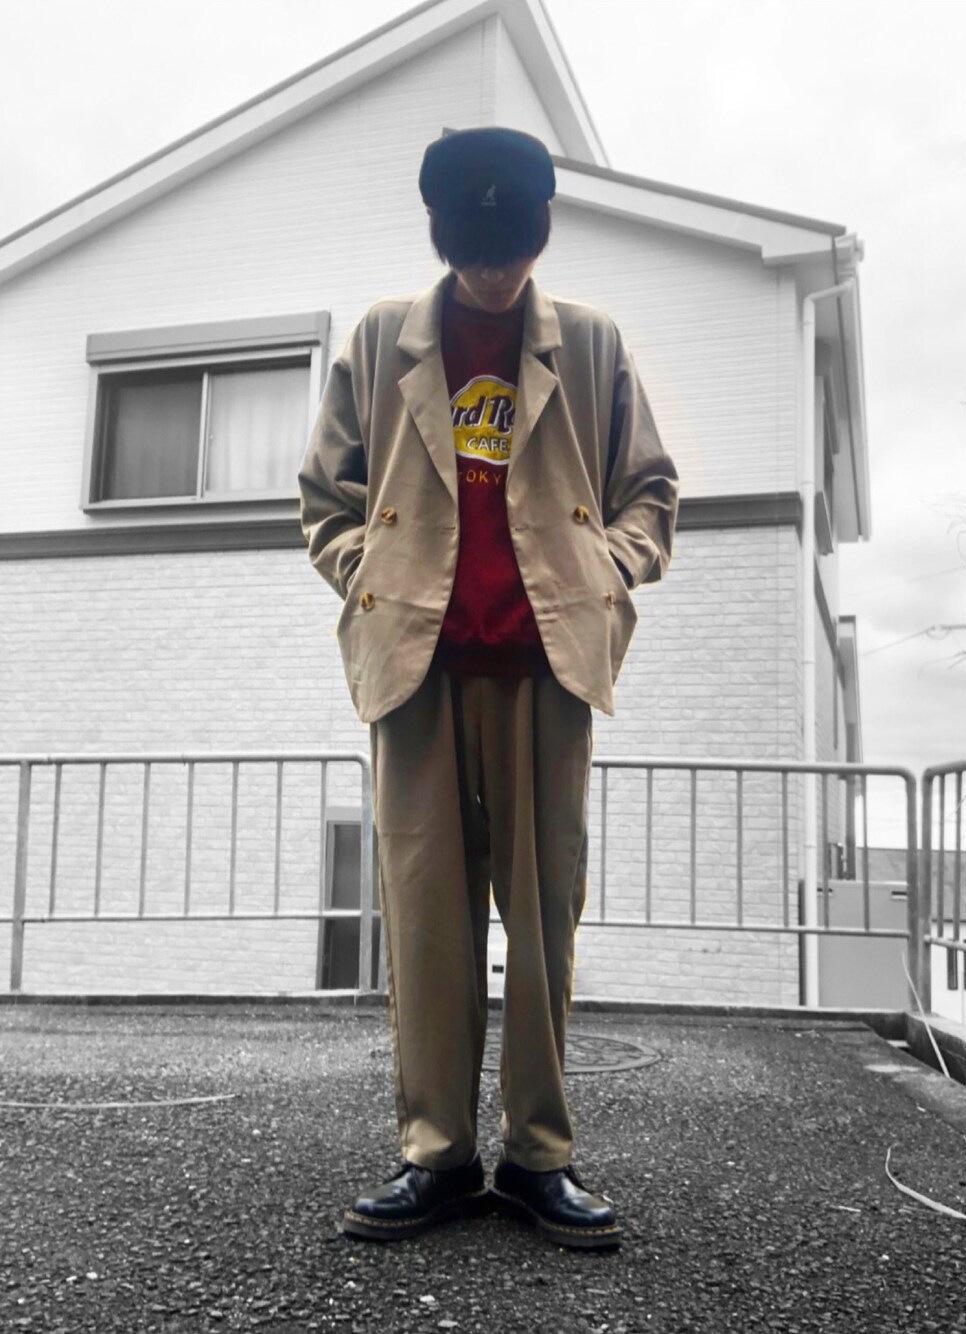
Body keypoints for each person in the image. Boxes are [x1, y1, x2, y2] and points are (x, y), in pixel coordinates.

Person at [299, 126, 678, 1250]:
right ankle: (438, 1155)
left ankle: (537, 1156)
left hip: (545, 668)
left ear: (540, 236)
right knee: (425, 922)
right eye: (474, 255)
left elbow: (651, 489)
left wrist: (606, 569)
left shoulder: (590, 343)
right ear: (442, 240)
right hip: (414, 668)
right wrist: (367, 569)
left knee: (545, 915)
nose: (495, 274)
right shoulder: (382, 339)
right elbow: (324, 494)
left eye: (511, 253)